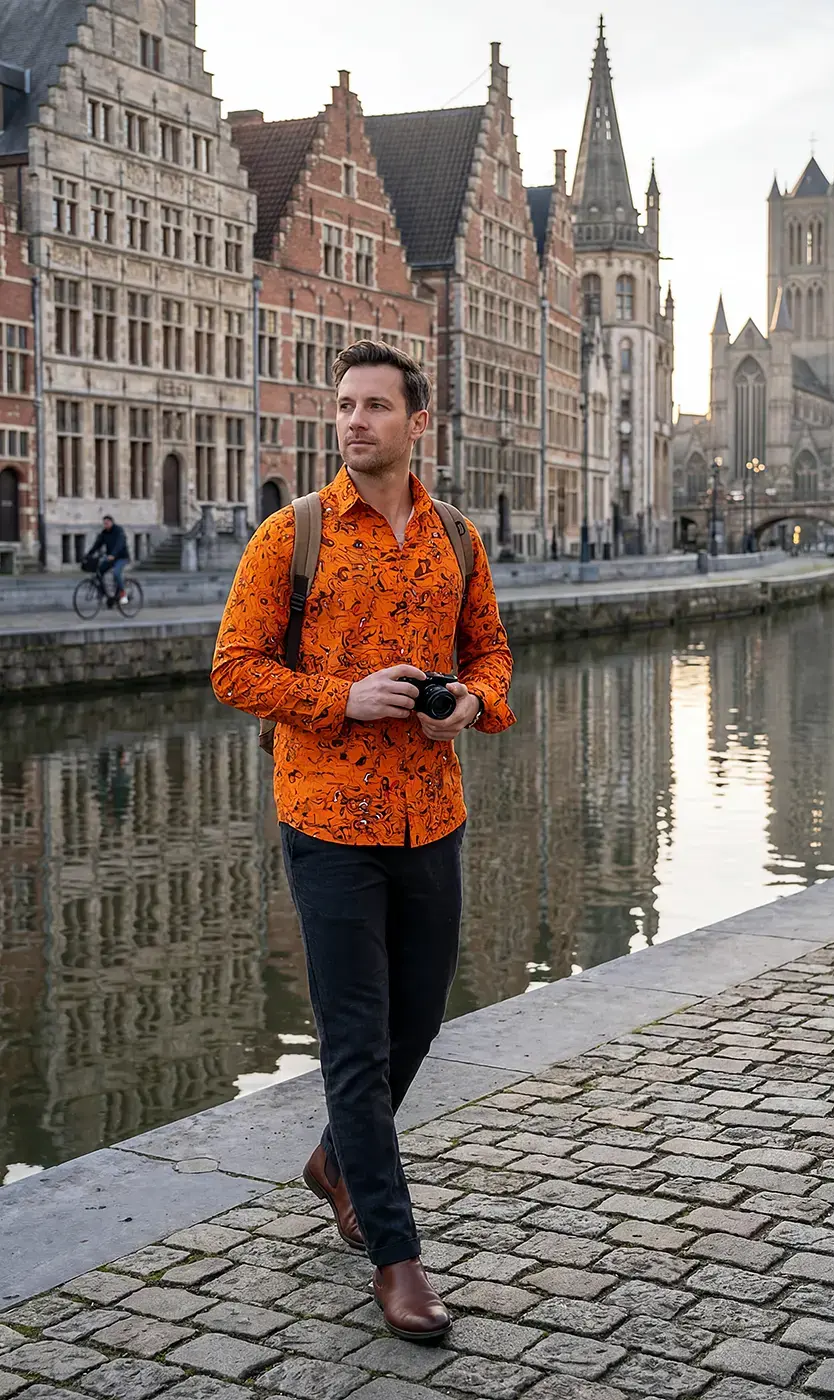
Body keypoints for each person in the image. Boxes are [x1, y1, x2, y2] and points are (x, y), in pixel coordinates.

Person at [212, 340, 515, 1343]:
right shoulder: (286, 537)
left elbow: (490, 651)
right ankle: (395, 1255)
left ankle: (335, 1158)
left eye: (376, 406)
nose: (354, 421)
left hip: (431, 812)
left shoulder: (458, 541)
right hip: (326, 818)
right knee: (351, 1037)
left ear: (417, 422)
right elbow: (234, 668)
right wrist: (339, 698)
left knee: (418, 1020)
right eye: (344, 405)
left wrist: (471, 701)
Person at [85, 515, 129, 604]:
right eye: (104, 523)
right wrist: (88, 555)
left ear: (112, 522)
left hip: (121, 557)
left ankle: (123, 594)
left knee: (116, 573)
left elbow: (119, 544)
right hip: (111, 558)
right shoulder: (104, 533)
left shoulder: (118, 531)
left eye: (107, 523)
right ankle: (106, 594)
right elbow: (97, 545)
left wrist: (113, 554)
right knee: (100, 571)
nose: (105, 525)